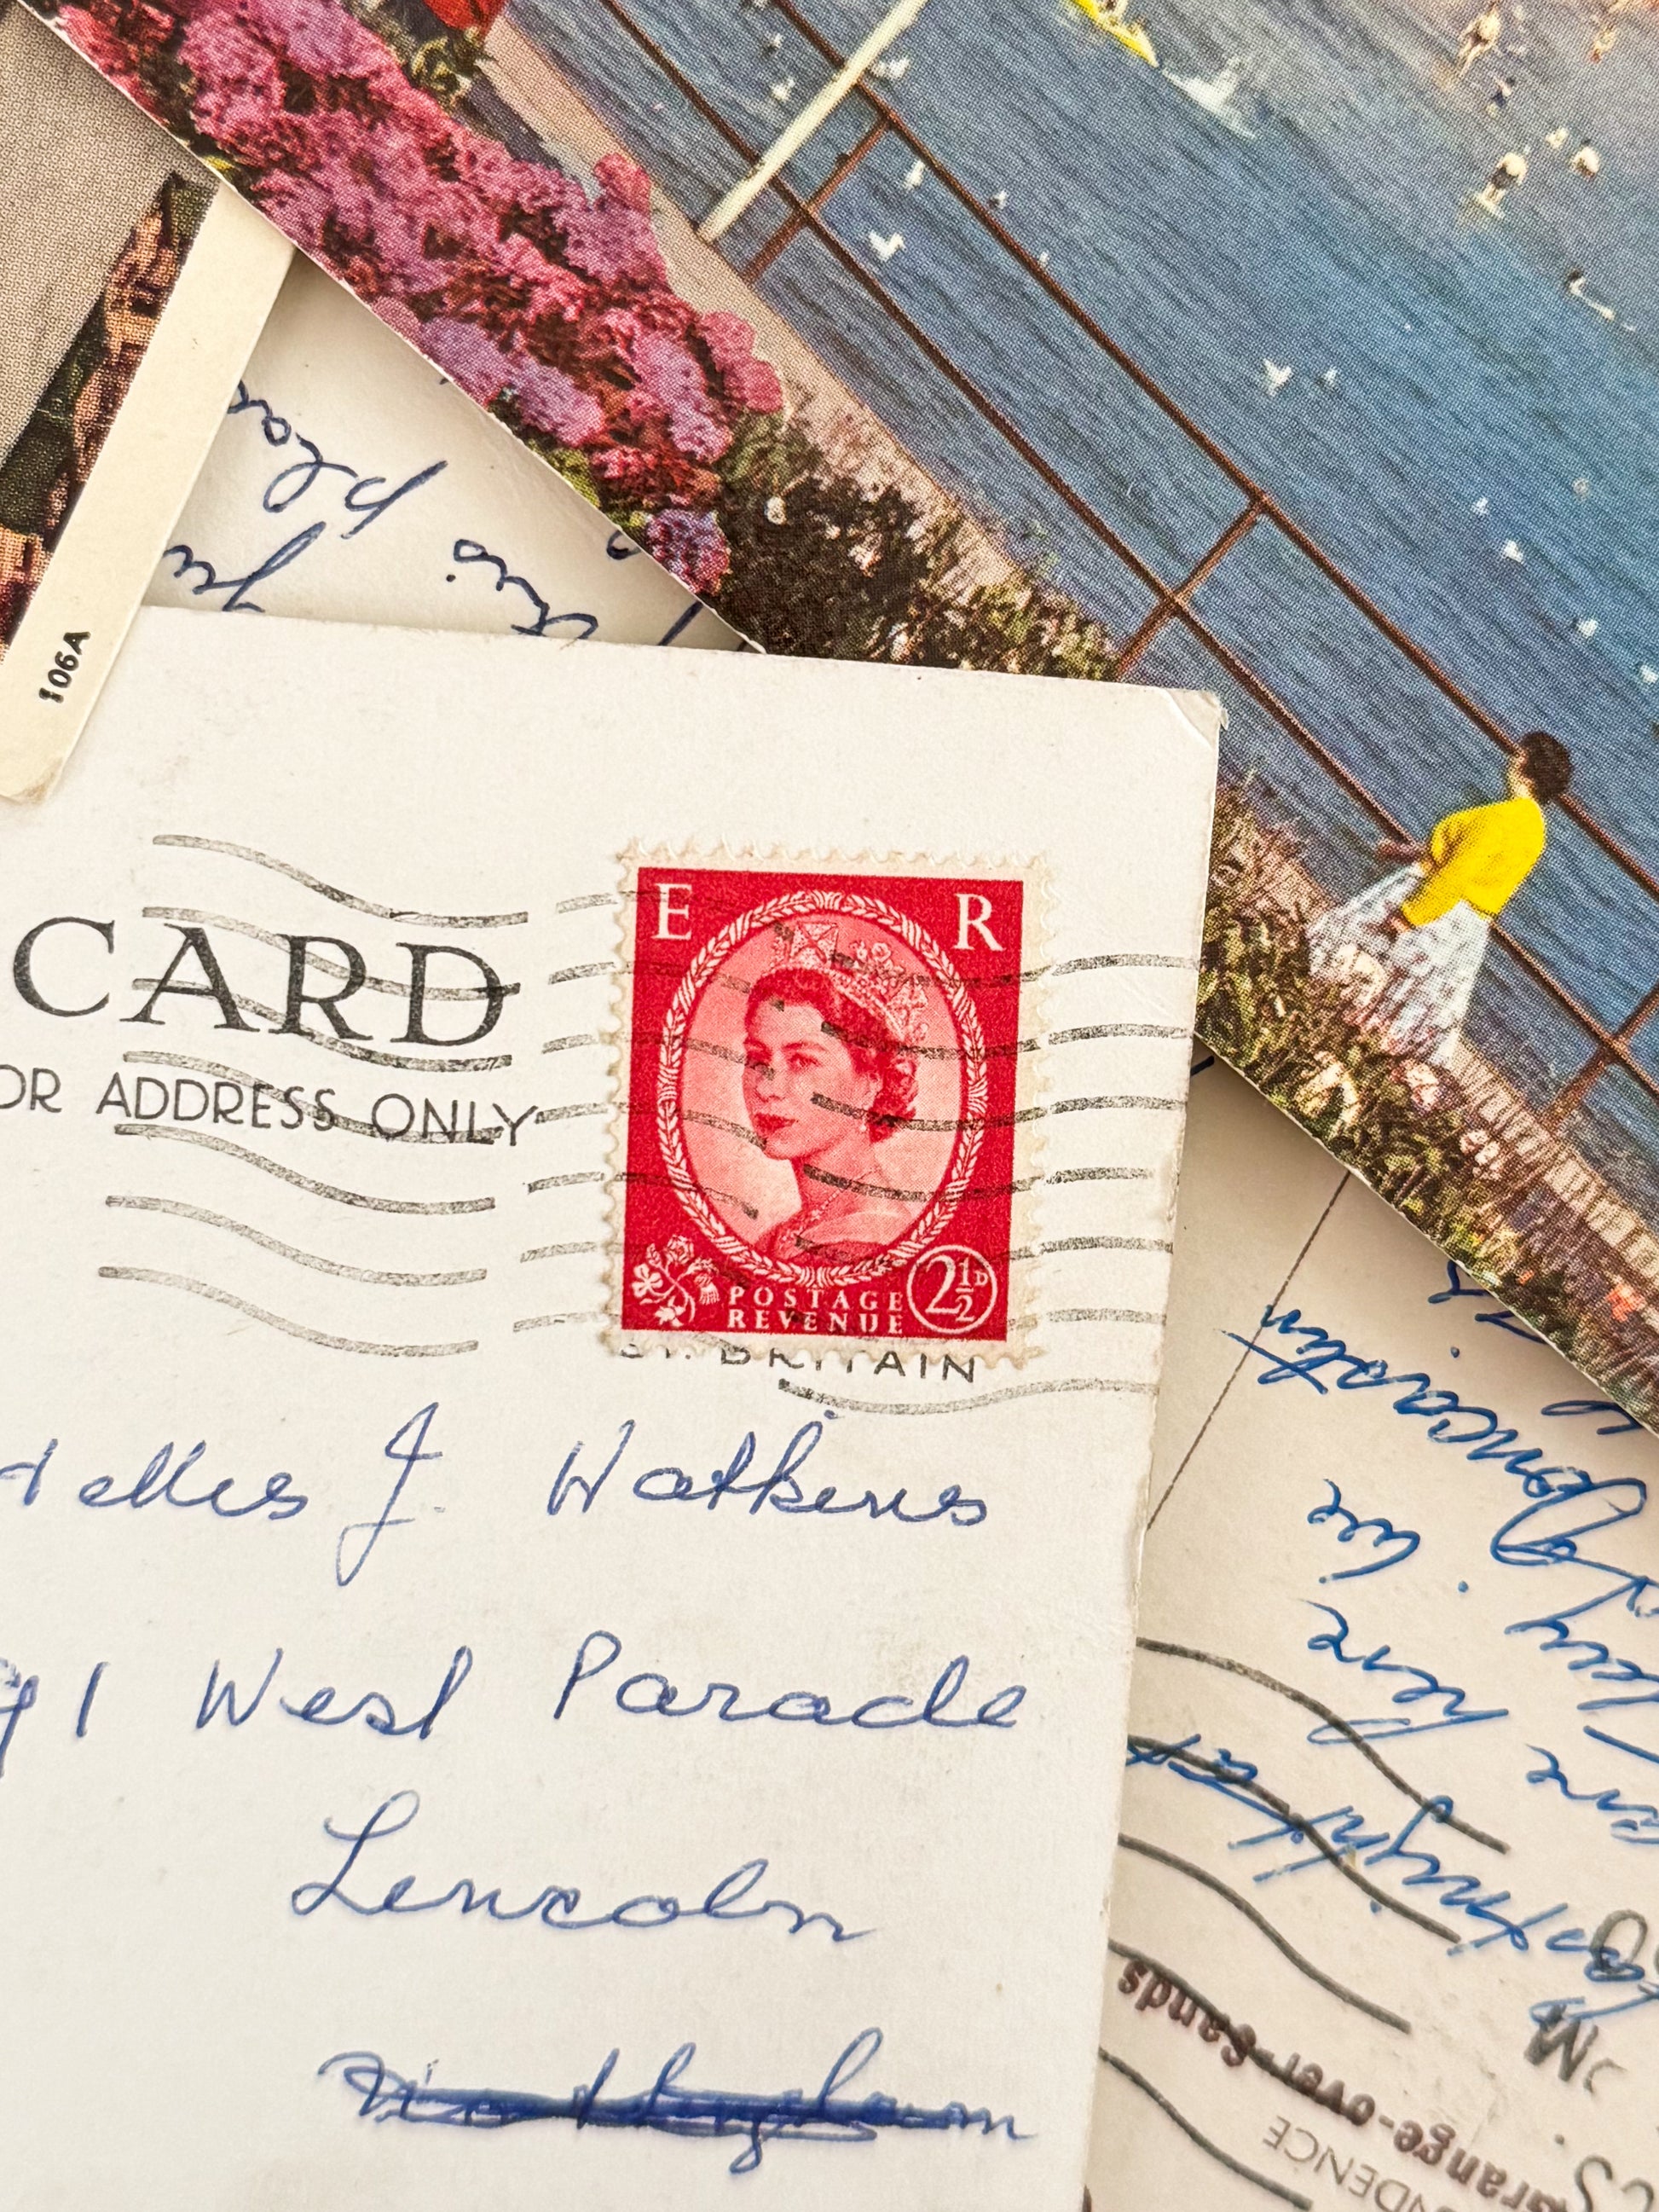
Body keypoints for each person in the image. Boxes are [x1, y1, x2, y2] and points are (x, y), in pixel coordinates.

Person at [1305, 731, 1572, 1076]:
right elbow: (1467, 861)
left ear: (1525, 766)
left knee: (1345, 946)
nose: (1511, 757)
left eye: (1519, 753)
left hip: (1437, 911)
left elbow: (1454, 876)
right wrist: (1403, 851)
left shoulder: (1501, 818)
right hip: (1469, 928)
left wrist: (1408, 916)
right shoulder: (1535, 830)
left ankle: (1309, 1014)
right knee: (1407, 999)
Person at [739, 918, 931, 1262]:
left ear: (871, 1082)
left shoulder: (873, 1242)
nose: (767, 1087)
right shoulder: (783, 1236)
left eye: (802, 1061)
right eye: (757, 1058)